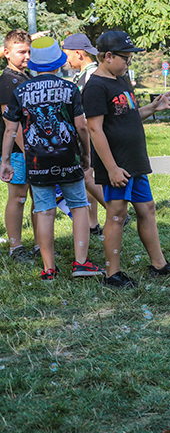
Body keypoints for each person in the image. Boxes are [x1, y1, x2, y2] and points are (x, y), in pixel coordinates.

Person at [83, 31, 170, 287]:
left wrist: (153, 107)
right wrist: (111, 168)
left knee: (147, 209)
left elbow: (128, 116)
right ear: (108, 56)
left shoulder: (120, 80)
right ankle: (113, 274)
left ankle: (159, 265)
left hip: (135, 161)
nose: (129, 63)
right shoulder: (96, 86)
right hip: (116, 164)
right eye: (126, 59)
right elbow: (95, 129)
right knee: (117, 214)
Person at [0, 38, 103, 280]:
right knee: (78, 207)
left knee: (44, 210)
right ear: (58, 64)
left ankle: (48, 268)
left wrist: (5, 160)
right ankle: (81, 263)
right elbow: (82, 127)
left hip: (36, 162)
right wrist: (86, 154)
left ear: (34, 63)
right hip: (69, 158)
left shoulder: (20, 91)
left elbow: (10, 130)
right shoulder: (70, 89)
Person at [63, 33, 108, 236]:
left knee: (87, 178)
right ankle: (93, 223)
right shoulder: (81, 74)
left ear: (79, 54)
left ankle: (118, 213)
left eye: (68, 55)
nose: (66, 60)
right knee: (87, 180)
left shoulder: (91, 75)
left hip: (91, 132)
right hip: (85, 133)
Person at [0, 29, 36, 264]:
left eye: (29, 52)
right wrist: (28, 151)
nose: (26, 56)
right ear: (6, 53)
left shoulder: (27, 77)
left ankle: (41, 242)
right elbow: (10, 122)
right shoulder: (6, 81)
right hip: (17, 150)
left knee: (36, 195)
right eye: (21, 51)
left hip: (33, 148)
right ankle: (16, 247)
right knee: (18, 195)